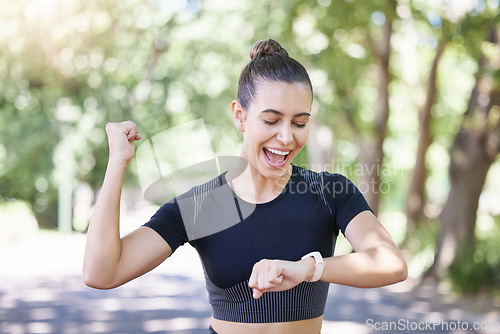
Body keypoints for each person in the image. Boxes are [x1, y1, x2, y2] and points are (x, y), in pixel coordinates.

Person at [83, 39, 407, 334]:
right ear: (240, 116)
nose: (286, 137)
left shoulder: (328, 193)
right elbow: (102, 273)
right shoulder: (203, 206)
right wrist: (117, 165)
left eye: (300, 122)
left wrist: (309, 269)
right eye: (271, 120)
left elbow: (391, 263)